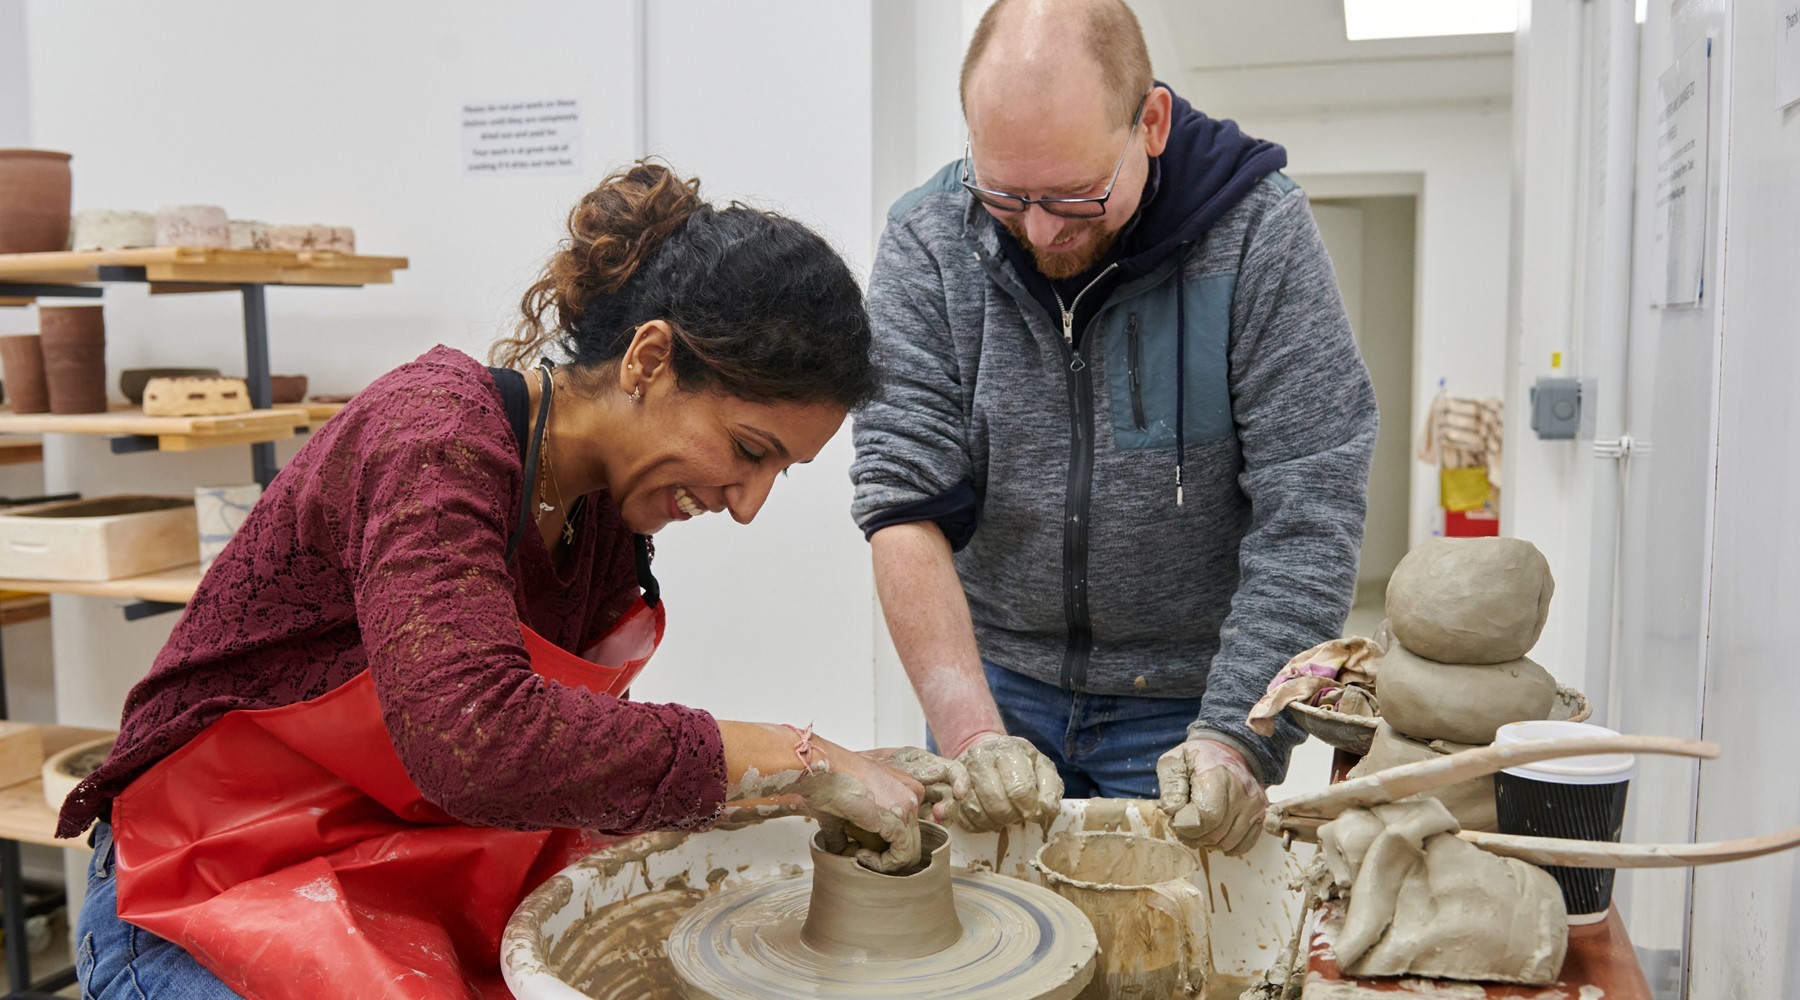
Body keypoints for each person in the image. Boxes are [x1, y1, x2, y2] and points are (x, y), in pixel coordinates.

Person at [58, 162, 964, 1000]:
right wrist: (789, 755)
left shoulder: (606, 512)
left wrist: (796, 790)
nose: (747, 505)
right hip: (205, 881)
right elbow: (475, 737)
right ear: (649, 361)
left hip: (384, 862)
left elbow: (565, 753)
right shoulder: (433, 437)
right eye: (748, 451)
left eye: (780, 474)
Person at [851, 0, 1377, 857]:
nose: (1041, 230)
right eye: (1005, 196)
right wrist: (972, 734)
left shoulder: (1258, 236)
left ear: (1152, 123)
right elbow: (901, 502)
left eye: (1074, 195)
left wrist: (1236, 739)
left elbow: (1309, 510)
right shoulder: (928, 238)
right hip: (998, 686)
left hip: (1190, 702)